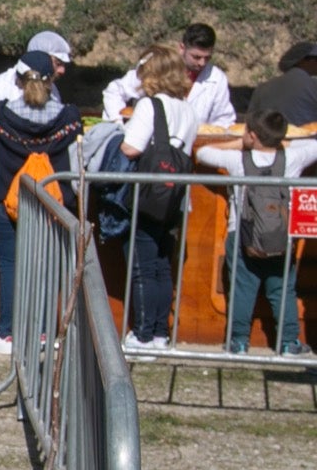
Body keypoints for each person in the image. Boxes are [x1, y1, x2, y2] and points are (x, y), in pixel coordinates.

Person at [0, 51, 83, 356]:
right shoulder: (70, 118)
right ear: (52, 81)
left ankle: (8, 333)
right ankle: (44, 333)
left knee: (10, 267)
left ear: (19, 80)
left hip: (11, 204)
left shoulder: (1, 115)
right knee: (48, 268)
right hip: (53, 206)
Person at [198, 110, 317, 356]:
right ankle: (287, 342)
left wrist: (239, 144)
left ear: (251, 135)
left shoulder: (238, 160)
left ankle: (239, 342)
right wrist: (285, 140)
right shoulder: (294, 157)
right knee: (283, 289)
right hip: (282, 237)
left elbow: (202, 153)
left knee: (242, 288)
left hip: (241, 235)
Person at [118, 44, 195, 348]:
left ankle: (143, 334)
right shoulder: (189, 109)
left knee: (142, 266)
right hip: (175, 198)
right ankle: (160, 332)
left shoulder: (150, 106)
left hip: (149, 196)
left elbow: (131, 147)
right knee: (163, 266)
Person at [101, 23, 234, 128]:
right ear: (182, 48)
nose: (202, 63)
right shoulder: (160, 66)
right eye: (196, 57)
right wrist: (117, 124)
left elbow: (224, 119)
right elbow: (114, 92)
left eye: (207, 58)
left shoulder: (217, 78)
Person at [0, 29, 72, 130]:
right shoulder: (3, 84)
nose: (62, 70)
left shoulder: (52, 89)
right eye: (58, 63)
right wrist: (11, 118)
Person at [246, 41, 317, 126]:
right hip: (308, 138)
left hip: (271, 137)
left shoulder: (262, 88)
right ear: (303, 60)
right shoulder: (312, 86)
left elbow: (251, 119)